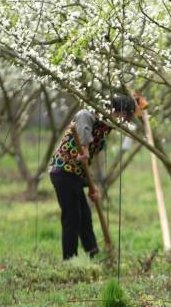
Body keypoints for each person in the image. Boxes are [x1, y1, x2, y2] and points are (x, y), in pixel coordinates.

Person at [49, 94, 144, 260]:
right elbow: (82, 116)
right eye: (126, 117)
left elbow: (87, 162)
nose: (126, 122)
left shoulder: (105, 127)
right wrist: (84, 148)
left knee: (85, 217)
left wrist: (92, 186)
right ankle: (69, 260)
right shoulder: (92, 115)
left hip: (76, 175)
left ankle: (94, 254)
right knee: (72, 218)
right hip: (63, 171)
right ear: (119, 112)